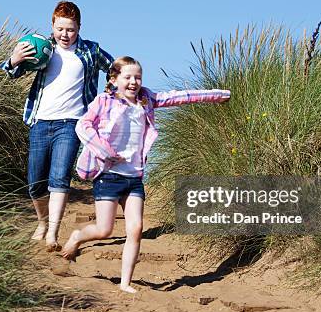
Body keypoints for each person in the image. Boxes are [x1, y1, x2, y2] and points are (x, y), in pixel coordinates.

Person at [61, 56, 230, 292]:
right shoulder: (104, 101)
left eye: (138, 77)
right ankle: (78, 236)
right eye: (128, 77)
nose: (133, 82)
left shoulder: (146, 100)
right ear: (115, 79)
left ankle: (125, 283)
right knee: (104, 230)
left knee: (136, 229)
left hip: (134, 178)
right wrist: (104, 151)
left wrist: (216, 95)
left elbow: (178, 97)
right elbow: (83, 126)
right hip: (108, 175)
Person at [0, 1, 113, 251]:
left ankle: (52, 233)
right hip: (40, 121)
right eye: (60, 28)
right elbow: (10, 72)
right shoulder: (42, 48)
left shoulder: (90, 50)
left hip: (71, 124)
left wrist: (110, 91)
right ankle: (42, 223)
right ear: (52, 26)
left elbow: (113, 68)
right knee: (35, 183)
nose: (65, 34)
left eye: (70, 29)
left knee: (59, 178)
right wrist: (14, 59)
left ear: (79, 28)